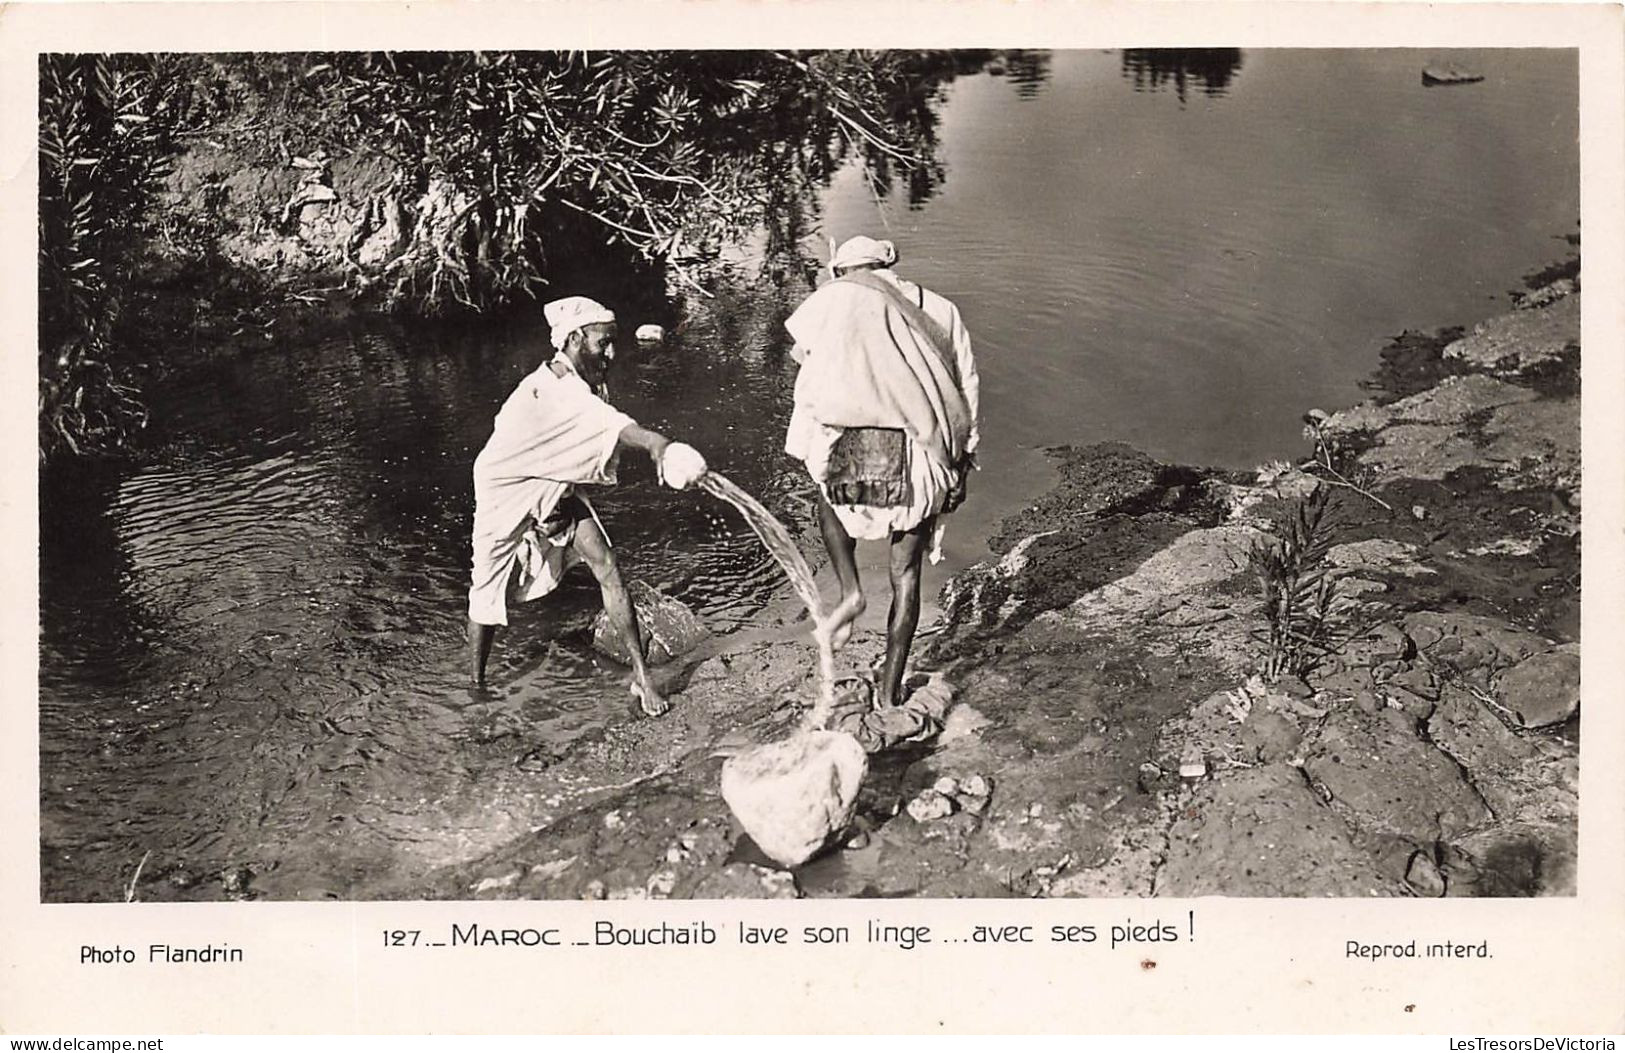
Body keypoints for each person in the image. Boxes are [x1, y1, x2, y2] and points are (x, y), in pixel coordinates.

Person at [466, 296, 707, 716]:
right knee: (486, 591)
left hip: (554, 480)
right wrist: (657, 444)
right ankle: (477, 687)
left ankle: (641, 677)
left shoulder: (582, 380)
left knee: (608, 566)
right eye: (603, 344)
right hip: (504, 485)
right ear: (575, 339)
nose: (612, 353)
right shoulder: (554, 392)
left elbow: (598, 424)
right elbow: (613, 425)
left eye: (613, 343)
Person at [784, 235, 981, 708]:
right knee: (905, 574)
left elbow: (810, 389)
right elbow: (966, 389)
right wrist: (962, 463)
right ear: (889, 265)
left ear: (842, 272)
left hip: (853, 454)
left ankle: (850, 589)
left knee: (824, 497)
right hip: (920, 453)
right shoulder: (939, 308)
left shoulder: (832, 304)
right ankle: (891, 694)